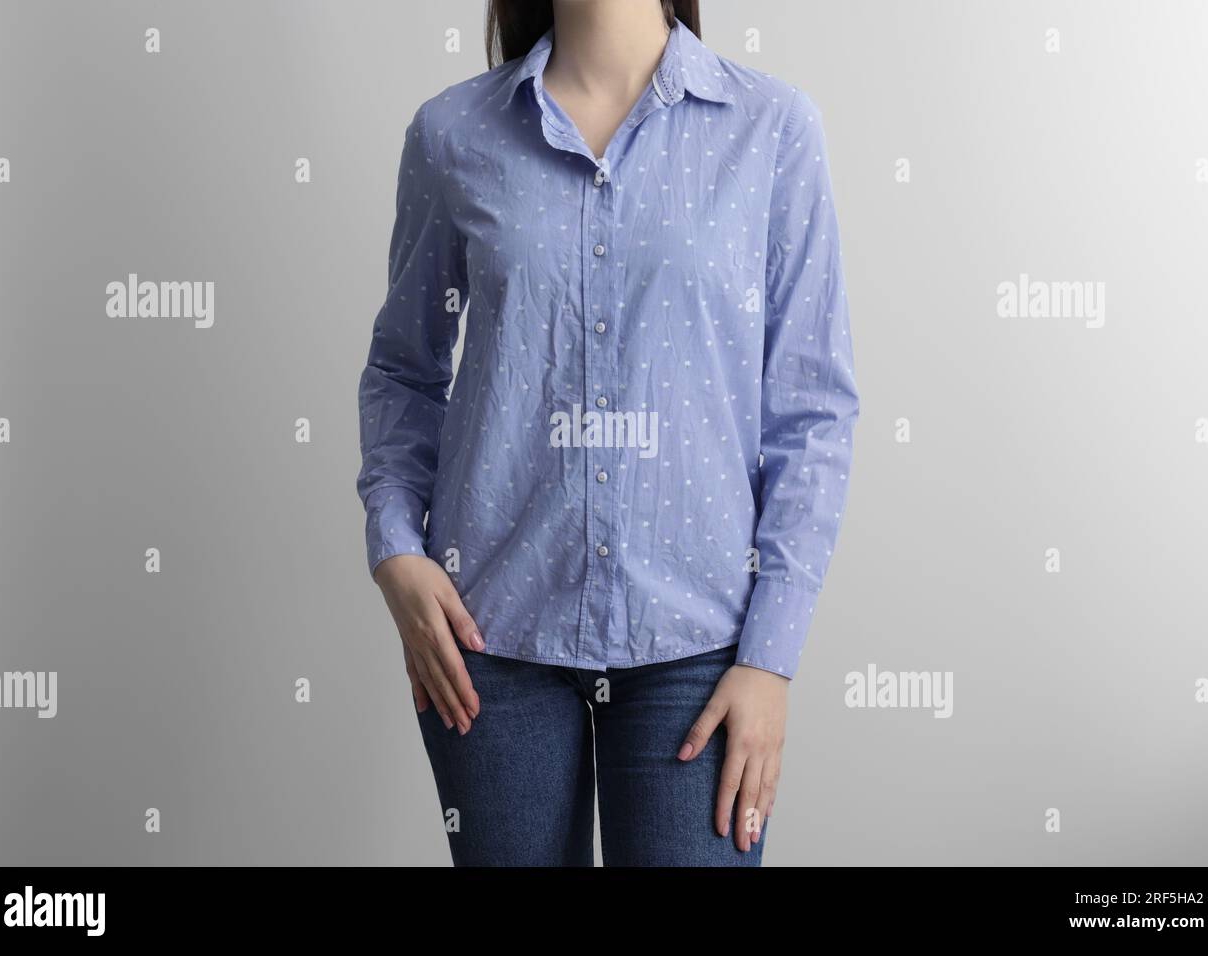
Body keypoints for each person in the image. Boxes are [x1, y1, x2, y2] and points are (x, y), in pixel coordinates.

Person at [356, 0, 859, 866]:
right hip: (489, 640)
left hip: (701, 650)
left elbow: (813, 411)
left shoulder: (772, 129)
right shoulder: (451, 135)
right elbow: (405, 371)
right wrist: (395, 547)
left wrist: (771, 660)